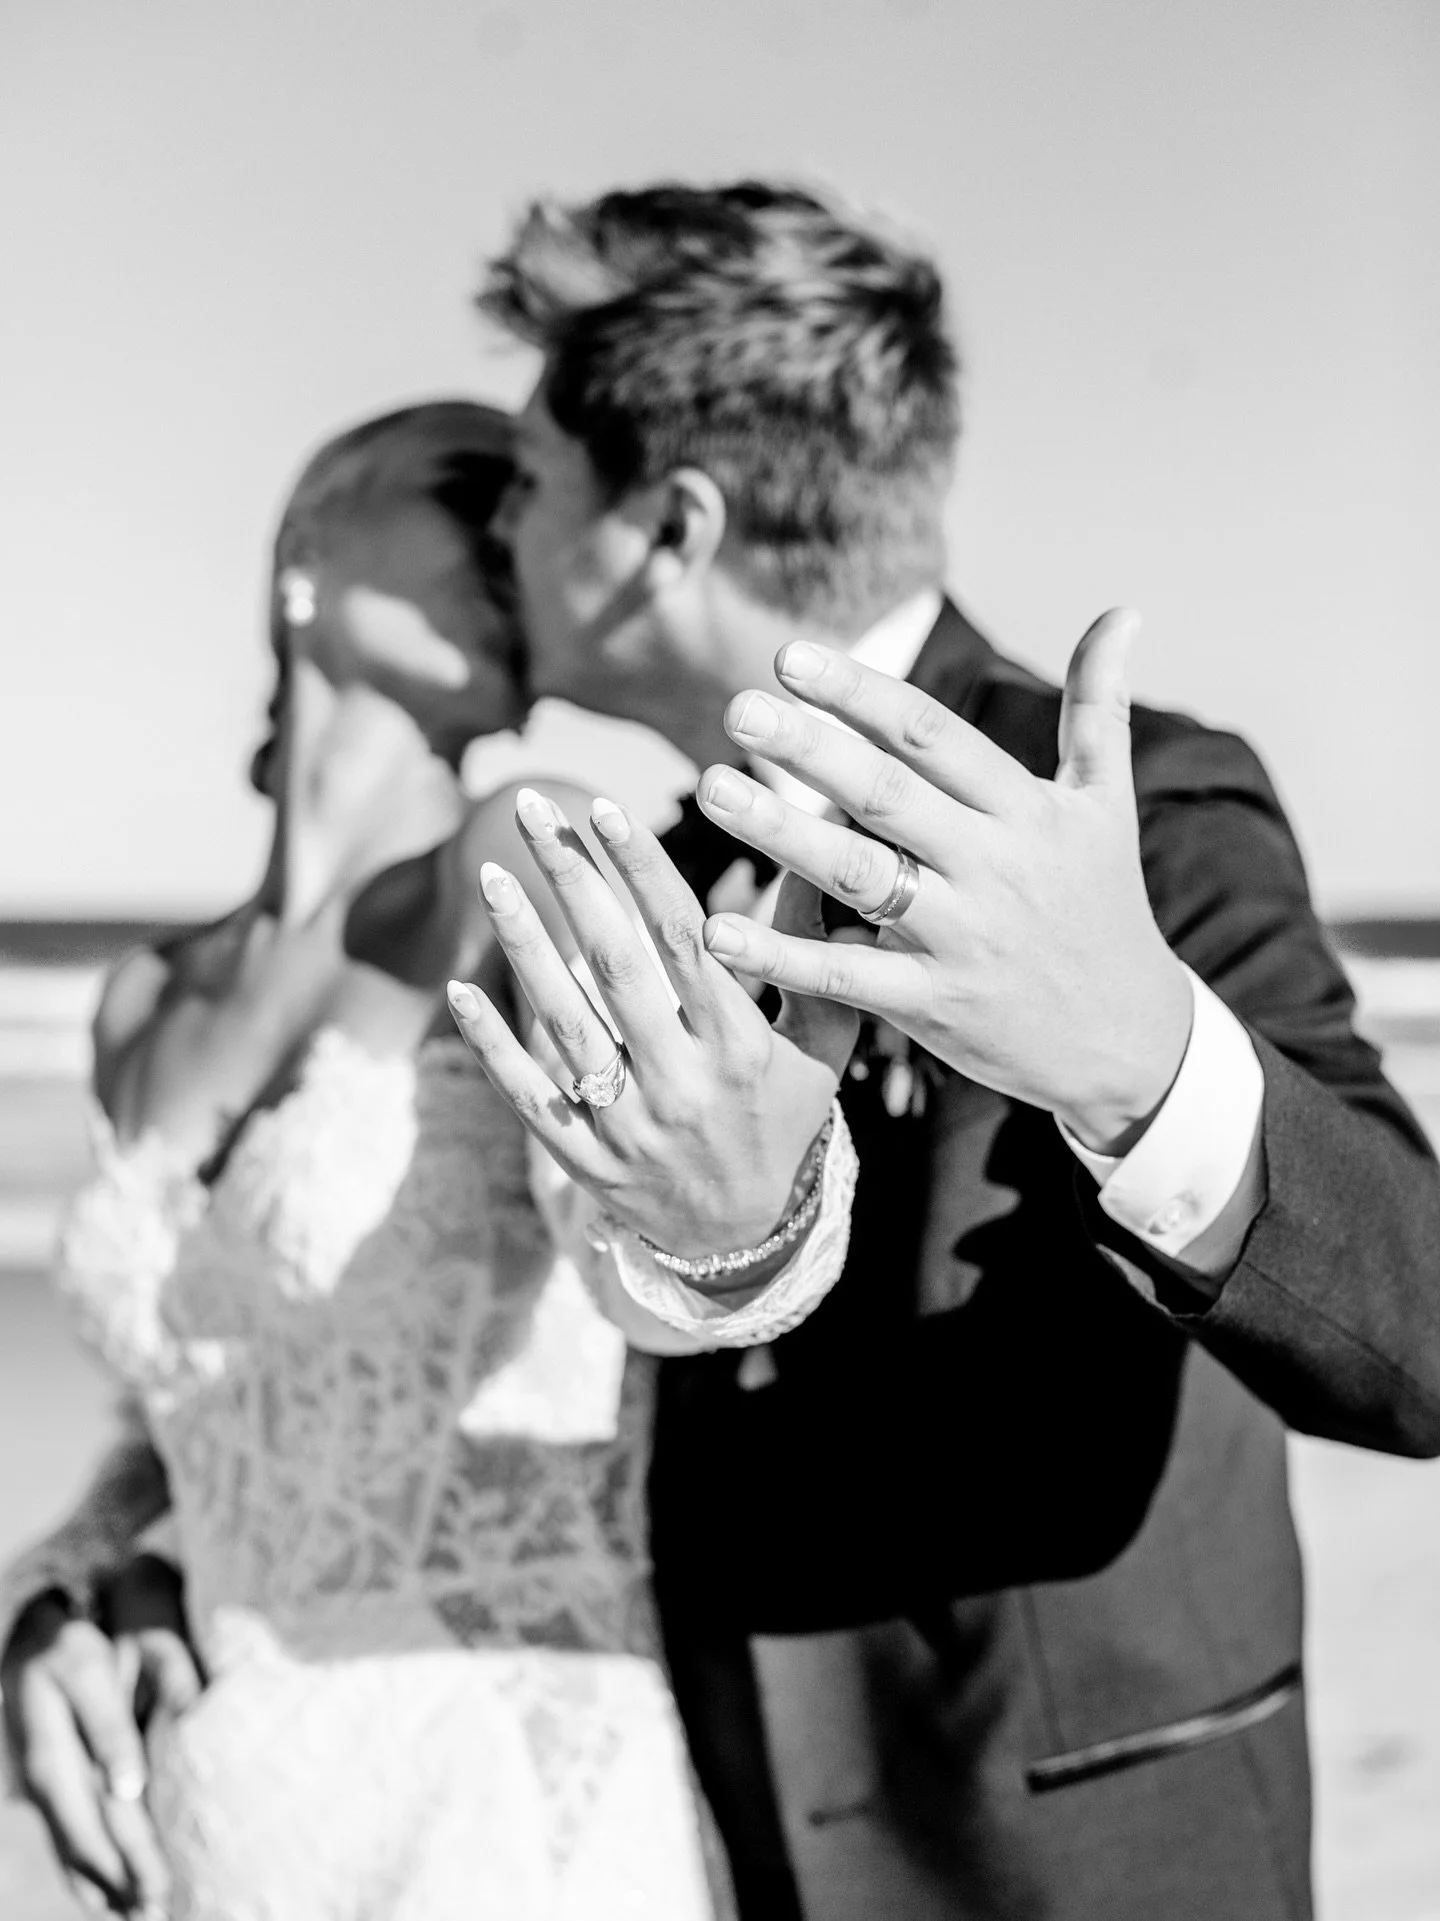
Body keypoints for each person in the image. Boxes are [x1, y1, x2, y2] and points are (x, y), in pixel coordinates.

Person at [438, 181, 1440, 1921]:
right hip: (716, 1842)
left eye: (527, 484)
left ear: (670, 526)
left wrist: (1140, 1061)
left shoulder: (1123, 808)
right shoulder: (649, 875)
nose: (500, 535)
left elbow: (1422, 1334)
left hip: (1087, 1863)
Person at [0, 398, 850, 1920]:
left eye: (524, 506)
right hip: (216, 1833)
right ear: (307, 552)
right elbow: (197, 1404)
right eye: (464, 492)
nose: (506, 535)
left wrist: (738, 1233)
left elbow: (655, 1263)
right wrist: (65, 1588)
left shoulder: (520, 852)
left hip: (502, 1812)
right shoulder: (141, 1001)